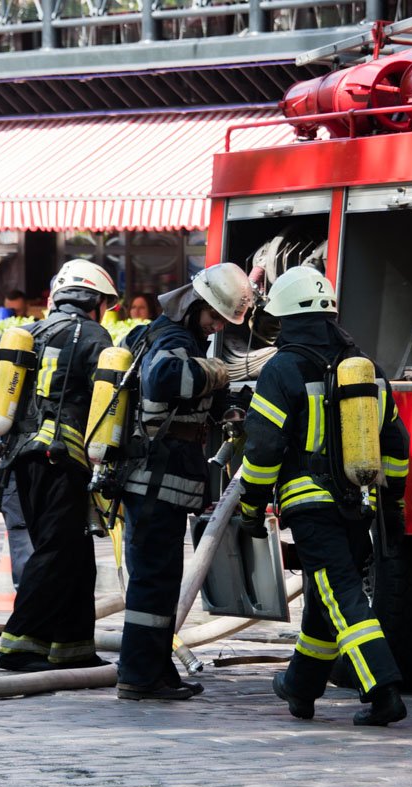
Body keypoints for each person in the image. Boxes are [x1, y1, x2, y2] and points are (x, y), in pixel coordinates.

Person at [237, 265, 411, 726]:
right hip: (358, 504)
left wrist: (252, 508)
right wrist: (393, 508)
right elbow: (396, 444)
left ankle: (383, 691)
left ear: (286, 317)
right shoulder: (365, 369)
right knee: (325, 597)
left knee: (343, 597)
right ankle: (301, 686)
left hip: (310, 506)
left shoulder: (282, 369)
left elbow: (263, 448)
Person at [0, 259, 117, 672]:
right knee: (57, 551)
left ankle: (73, 645)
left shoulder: (28, 334)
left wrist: (10, 421)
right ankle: (19, 646)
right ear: (95, 301)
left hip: (22, 459)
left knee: (76, 554)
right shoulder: (94, 336)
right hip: (63, 460)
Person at [115, 262, 252, 701]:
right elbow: (164, 379)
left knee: (158, 579)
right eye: (214, 316)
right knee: (154, 580)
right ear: (195, 304)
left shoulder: (165, 334)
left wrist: (224, 403)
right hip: (157, 481)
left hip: (154, 481)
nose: (215, 327)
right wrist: (221, 372)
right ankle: (138, 676)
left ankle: (154, 668)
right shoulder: (172, 339)